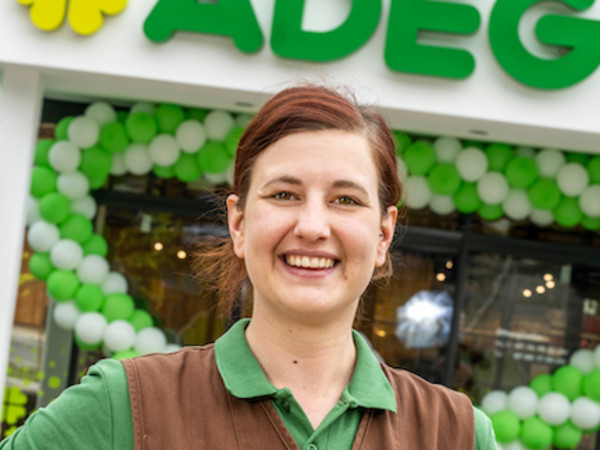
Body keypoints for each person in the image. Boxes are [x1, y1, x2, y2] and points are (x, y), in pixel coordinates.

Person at [1, 84, 498, 449]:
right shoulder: (127, 406)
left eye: (345, 199)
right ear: (238, 223)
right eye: (284, 194)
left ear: (384, 234)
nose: (312, 225)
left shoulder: (452, 432)